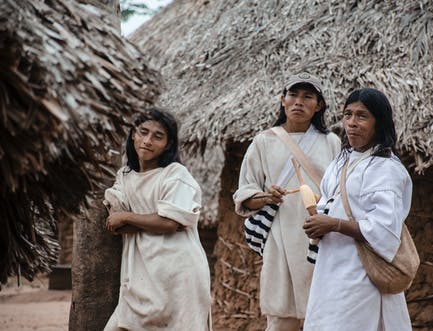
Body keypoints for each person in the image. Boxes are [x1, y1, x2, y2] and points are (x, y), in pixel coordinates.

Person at [233, 72, 341, 331]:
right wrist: (265, 196)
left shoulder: (332, 143)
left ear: (320, 105)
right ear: (283, 100)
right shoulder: (264, 142)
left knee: (325, 315)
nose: (299, 102)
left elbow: (342, 192)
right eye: (293, 95)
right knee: (281, 318)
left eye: (308, 97)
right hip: (280, 237)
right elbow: (245, 191)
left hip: (322, 240)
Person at [302, 88, 413, 330]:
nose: (352, 123)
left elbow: (385, 229)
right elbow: (328, 204)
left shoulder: (386, 169)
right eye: (348, 114)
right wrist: (318, 223)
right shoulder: (341, 161)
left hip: (363, 273)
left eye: (362, 116)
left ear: (378, 122)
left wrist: (335, 225)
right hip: (331, 269)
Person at [103, 108, 212, 331]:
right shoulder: (125, 177)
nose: (147, 140)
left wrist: (126, 216)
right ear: (133, 134)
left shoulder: (175, 175)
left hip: (178, 272)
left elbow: (169, 223)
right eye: (143, 132)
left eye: (158, 136)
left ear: (169, 144)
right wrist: (127, 220)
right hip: (141, 272)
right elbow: (116, 225)